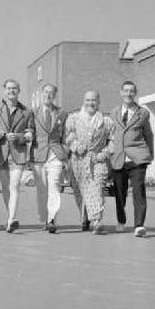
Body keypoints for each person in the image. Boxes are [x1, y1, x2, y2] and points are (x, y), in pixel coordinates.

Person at [65, 91, 114, 235]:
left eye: (93, 100)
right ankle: (85, 217)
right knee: (80, 191)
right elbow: (68, 136)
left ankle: (97, 221)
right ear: (83, 101)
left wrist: (104, 153)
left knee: (97, 187)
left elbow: (113, 140)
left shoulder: (106, 121)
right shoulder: (73, 118)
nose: (90, 103)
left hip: (97, 159)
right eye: (87, 100)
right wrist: (75, 145)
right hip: (78, 160)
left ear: (98, 102)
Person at [110, 80, 154, 237]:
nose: (128, 94)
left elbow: (149, 135)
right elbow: (111, 134)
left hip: (138, 158)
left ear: (135, 93)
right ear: (121, 93)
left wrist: (150, 154)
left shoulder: (143, 113)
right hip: (119, 158)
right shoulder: (114, 112)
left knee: (138, 190)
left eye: (131, 91)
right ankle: (121, 221)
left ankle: (139, 225)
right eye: (125, 91)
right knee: (120, 193)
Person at [0, 79, 35, 233]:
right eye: (9, 88)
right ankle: (10, 217)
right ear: (4, 91)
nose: (11, 91)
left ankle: (11, 220)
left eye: (14, 88)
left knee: (14, 186)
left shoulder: (27, 111)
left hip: (18, 153)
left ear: (19, 91)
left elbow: (31, 132)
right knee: (5, 189)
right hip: (2, 153)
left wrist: (19, 137)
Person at [31, 84, 69, 234]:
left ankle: (51, 219)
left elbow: (65, 134)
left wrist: (65, 150)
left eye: (51, 93)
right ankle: (44, 217)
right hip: (39, 154)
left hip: (55, 154)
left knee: (54, 187)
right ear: (42, 94)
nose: (48, 95)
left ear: (54, 95)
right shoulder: (33, 113)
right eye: (46, 92)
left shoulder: (62, 113)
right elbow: (30, 131)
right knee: (42, 190)